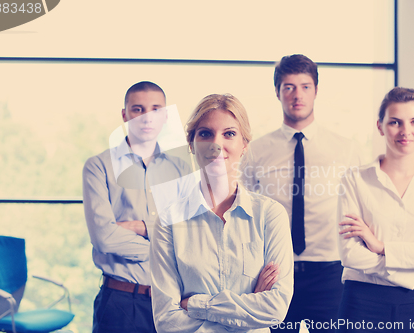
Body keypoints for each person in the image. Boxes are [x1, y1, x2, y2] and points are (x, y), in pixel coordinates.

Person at [150, 94, 294, 332]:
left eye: (229, 134)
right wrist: (246, 309)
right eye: (205, 134)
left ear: (244, 144)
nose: (216, 144)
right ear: (191, 143)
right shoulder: (169, 221)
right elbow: (167, 321)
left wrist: (195, 304)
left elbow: (275, 309)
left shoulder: (270, 215)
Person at [242, 54, 361, 332]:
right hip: (276, 270)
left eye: (305, 86)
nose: (298, 95)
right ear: (277, 92)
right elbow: (244, 211)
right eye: (289, 87)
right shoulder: (257, 150)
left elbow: (363, 208)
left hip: (330, 271)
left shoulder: (345, 149)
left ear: (316, 91)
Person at [337, 87, 414, 332]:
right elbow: (351, 255)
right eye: (395, 122)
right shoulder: (355, 179)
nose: (406, 131)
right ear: (380, 126)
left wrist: (381, 247)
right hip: (362, 304)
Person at [83, 81, 193, 333]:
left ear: (165, 116)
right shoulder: (99, 166)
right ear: (124, 115)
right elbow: (105, 239)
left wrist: (141, 227)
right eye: (137, 109)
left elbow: (191, 236)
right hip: (120, 302)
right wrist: (167, 246)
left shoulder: (181, 169)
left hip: (172, 303)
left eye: (155, 109)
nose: (146, 118)